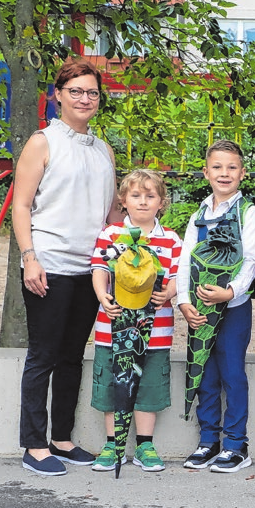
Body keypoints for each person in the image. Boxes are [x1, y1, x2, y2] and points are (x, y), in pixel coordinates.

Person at [13, 57, 119, 476]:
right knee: (43, 355)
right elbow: (21, 205)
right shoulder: (42, 142)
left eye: (92, 92)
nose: (84, 98)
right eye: (75, 91)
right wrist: (29, 258)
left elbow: (110, 214)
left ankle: (62, 438)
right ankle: (34, 445)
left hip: (90, 270)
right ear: (58, 96)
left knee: (73, 357)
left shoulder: (103, 149)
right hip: (49, 265)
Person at [176, 140, 255, 473]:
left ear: (242, 172)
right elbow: (185, 261)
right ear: (206, 172)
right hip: (199, 308)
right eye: (217, 167)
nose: (224, 173)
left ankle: (236, 445)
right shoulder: (199, 214)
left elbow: (250, 260)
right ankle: (207, 440)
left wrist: (229, 292)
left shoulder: (248, 212)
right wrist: (184, 301)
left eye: (231, 167)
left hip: (233, 308)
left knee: (231, 373)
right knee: (204, 373)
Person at [89, 169, 183, 472]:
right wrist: (103, 296)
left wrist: (169, 290)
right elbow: (99, 268)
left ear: (161, 202)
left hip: (154, 332)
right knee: (113, 385)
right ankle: (111, 444)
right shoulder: (110, 234)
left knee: (149, 386)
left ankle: (144, 444)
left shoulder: (170, 239)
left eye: (150, 196)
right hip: (111, 329)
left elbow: (180, 274)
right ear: (123, 200)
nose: (143, 202)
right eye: (135, 196)